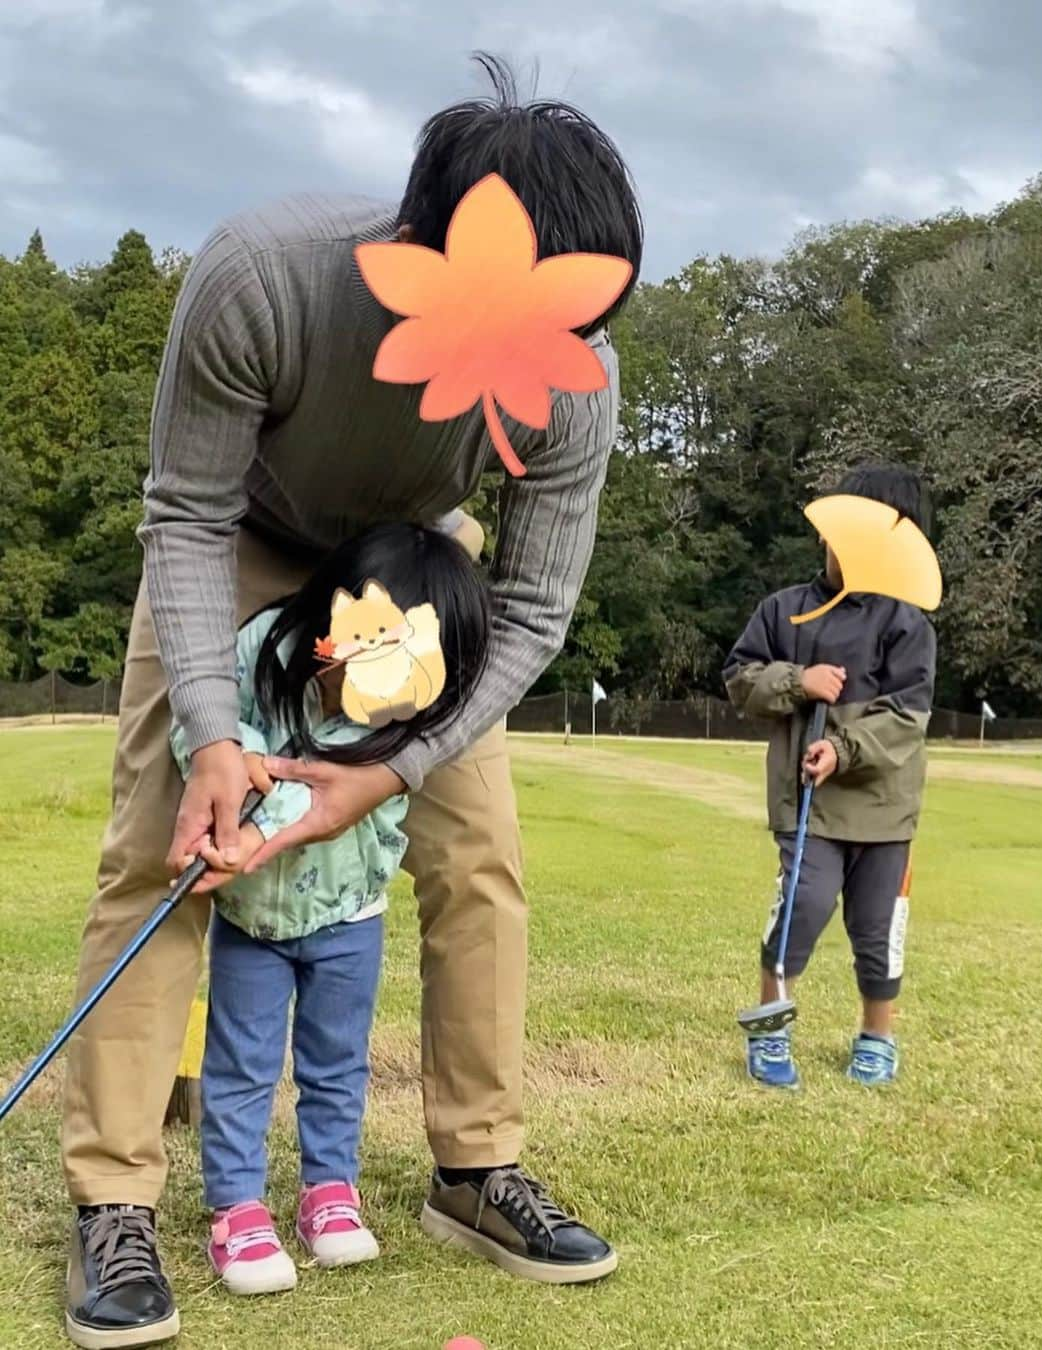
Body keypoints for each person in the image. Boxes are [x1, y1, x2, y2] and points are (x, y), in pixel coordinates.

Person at [61, 53, 640, 1349]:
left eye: (585, 318)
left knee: (477, 850)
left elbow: (537, 606)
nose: (568, 348)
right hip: (244, 536)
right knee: (166, 841)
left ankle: (473, 1169)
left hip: (417, 565)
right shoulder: (262, 280)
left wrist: (393, 767)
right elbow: (188, 508)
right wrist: (218, 733)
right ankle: (116, 1193)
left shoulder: (575, 380)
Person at [168, 523, 490, 1296]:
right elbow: (202, 727)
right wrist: (232, 754)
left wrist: (254, 829)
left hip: (352, 913)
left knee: (337, 1063)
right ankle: (237, 1210)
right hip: (253, 919)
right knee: (241, 1066)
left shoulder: (400, 720)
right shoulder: (263, 649)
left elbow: (317, 799)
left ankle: (328, 1194)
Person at [723, 463, 937, 1091]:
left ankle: (877, 1035)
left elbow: (907, 717)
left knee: (877, 929)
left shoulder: (909, 626)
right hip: (808, 806)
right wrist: (797, 680)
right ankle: (771, 1026)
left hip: (884, 810)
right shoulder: (784, 611)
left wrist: (843, 749)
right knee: (802, 906)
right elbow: (740, 679)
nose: (838, 546)